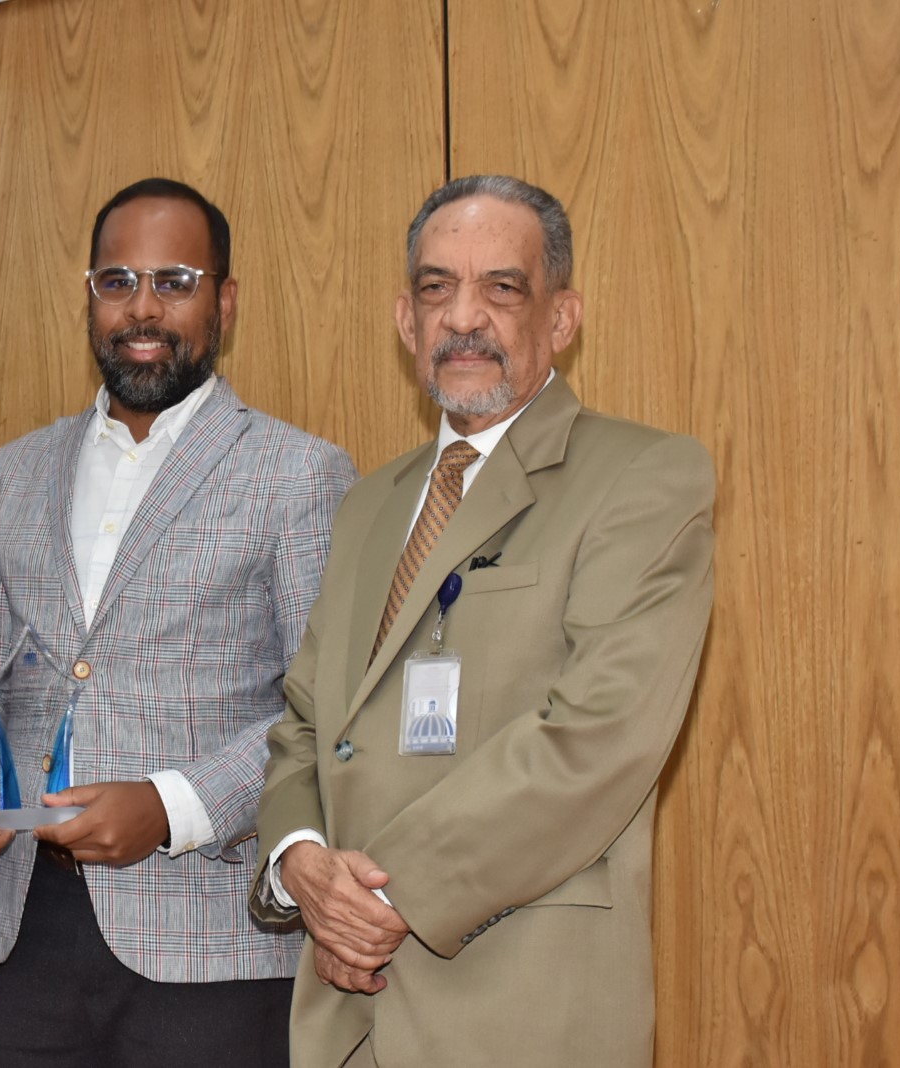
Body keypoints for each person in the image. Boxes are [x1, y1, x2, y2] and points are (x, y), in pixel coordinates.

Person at [251, 175, 717, 1067]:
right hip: (345, 1017)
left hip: (524, 1012)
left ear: (562, 317)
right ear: (405, 321)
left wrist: (384, 900)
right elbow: (307, 722)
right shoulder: (368, 505)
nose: (464, 317)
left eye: (502, 288)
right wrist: (301, 861)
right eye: (436, 289)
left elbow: (593, 740)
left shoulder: (644, 478)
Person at [0, 177, 358, 1066]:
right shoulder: (15, 472)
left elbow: (324, 710)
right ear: (90, 298)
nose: (143, 308)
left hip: (215, 946)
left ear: (225, 302)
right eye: (118, 282)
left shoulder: (298, 473)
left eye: (175, 281)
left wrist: (170, 809)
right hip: (32, 932)